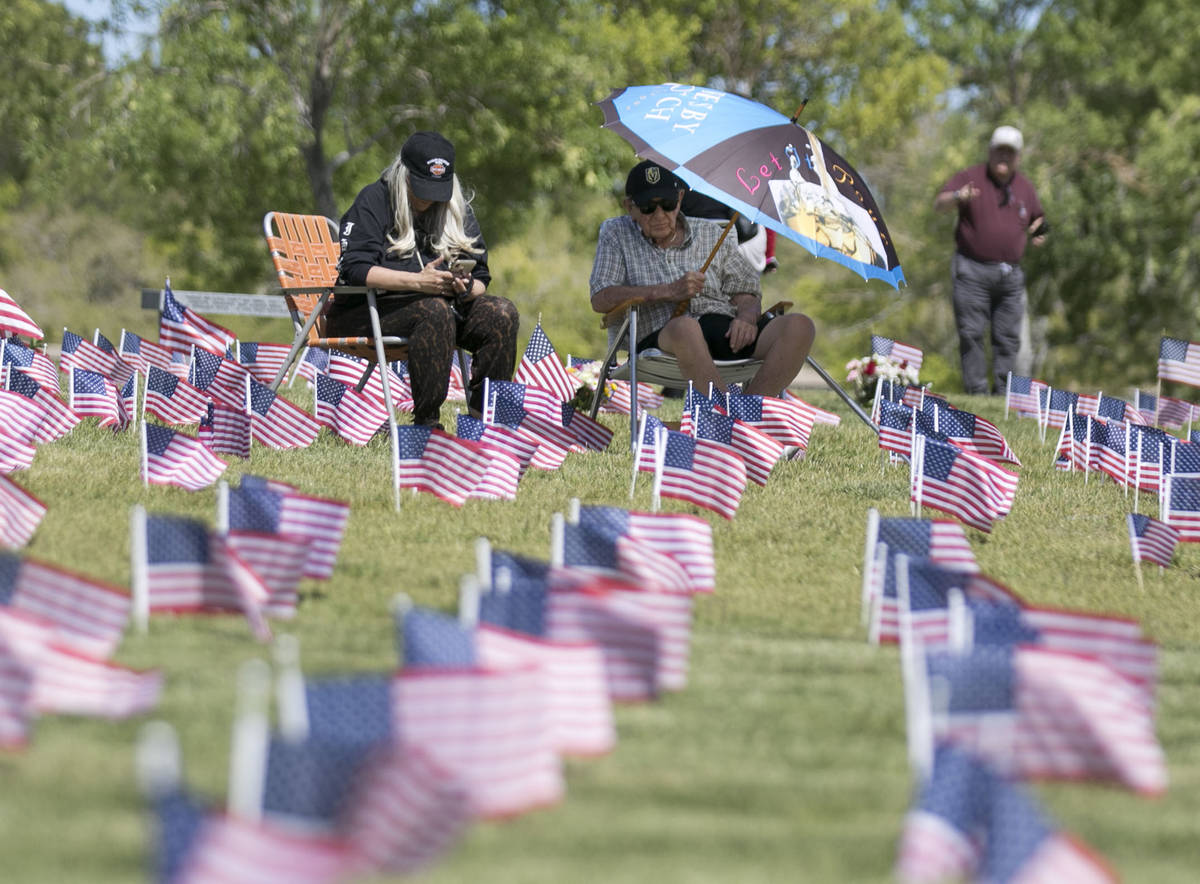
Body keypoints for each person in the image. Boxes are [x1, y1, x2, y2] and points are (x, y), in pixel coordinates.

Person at [333, 131, 519, 427]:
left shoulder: (456, 208)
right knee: (435, 311)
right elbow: (355, 269)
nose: (429, 198)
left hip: (442, 309)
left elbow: (482, 276)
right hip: (368, 310)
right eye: (421, 187)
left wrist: (466, 287)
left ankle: (487, 421)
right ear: (403, 174)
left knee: (502, 313)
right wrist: (419, 282)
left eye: (437, 190)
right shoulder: (374, 199)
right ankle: (427, 424)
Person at [589, 160, 815, 398]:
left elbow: (746, 289)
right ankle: (723, 416)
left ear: (680, 198)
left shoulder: (711, 233)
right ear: (629, 207)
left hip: (722, 331)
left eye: (667, 204)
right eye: (647, 207)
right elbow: (601, 298)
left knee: (799, 326)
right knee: (685, 327)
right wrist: (667, 291)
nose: (659, 215)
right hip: (661, 339)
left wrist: (747, 316)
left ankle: (746, 417)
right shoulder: (616, 233)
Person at [934, 125, 1046, 395]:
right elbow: (940, 204)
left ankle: (1003, 395)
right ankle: (977, 392)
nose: (1003, 157)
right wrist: (960, 197)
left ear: (1017, 157)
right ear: (990, 151)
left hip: (1010, 276)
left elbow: (1038, 218)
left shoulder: (1024, 186)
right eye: (999, 151)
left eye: (1009, 152)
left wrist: (1039, 232)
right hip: (972, 270)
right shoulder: (971, 177)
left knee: (1008, 339)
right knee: (971, 333)